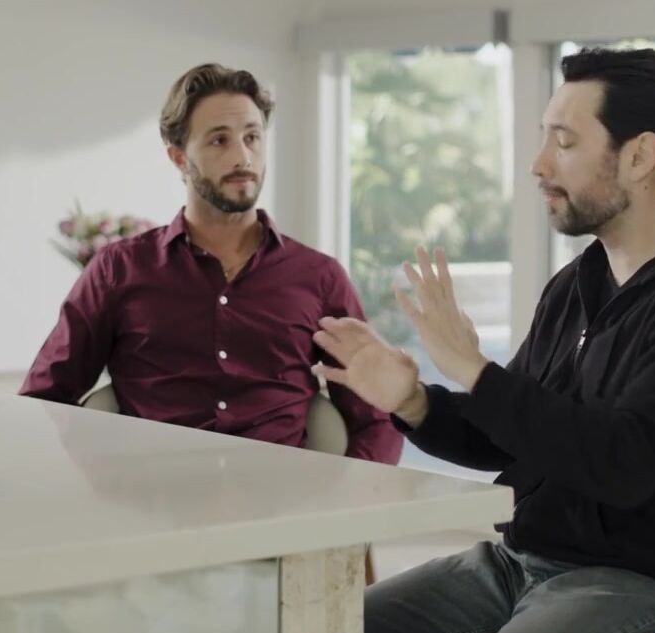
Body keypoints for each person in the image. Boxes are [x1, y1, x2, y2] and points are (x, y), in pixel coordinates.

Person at [311, 47, 655, 633]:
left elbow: (623, 466)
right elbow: (512, 434)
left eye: (565, 143)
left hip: (648, 584)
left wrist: (475, 369)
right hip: (518, 566)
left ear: (640, 156)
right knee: (327, 630)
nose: (539, 164)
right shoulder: (579, 283)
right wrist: (413, 400)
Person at [22, 63, 402, 464]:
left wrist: (355, 495)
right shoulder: (119, 269)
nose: (243, 156)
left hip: (282, 494)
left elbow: (375, 416)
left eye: (252, 137)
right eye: (219, 140)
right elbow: (44, 399)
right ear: (179, 158)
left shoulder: (319, 278)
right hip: (149, 492)